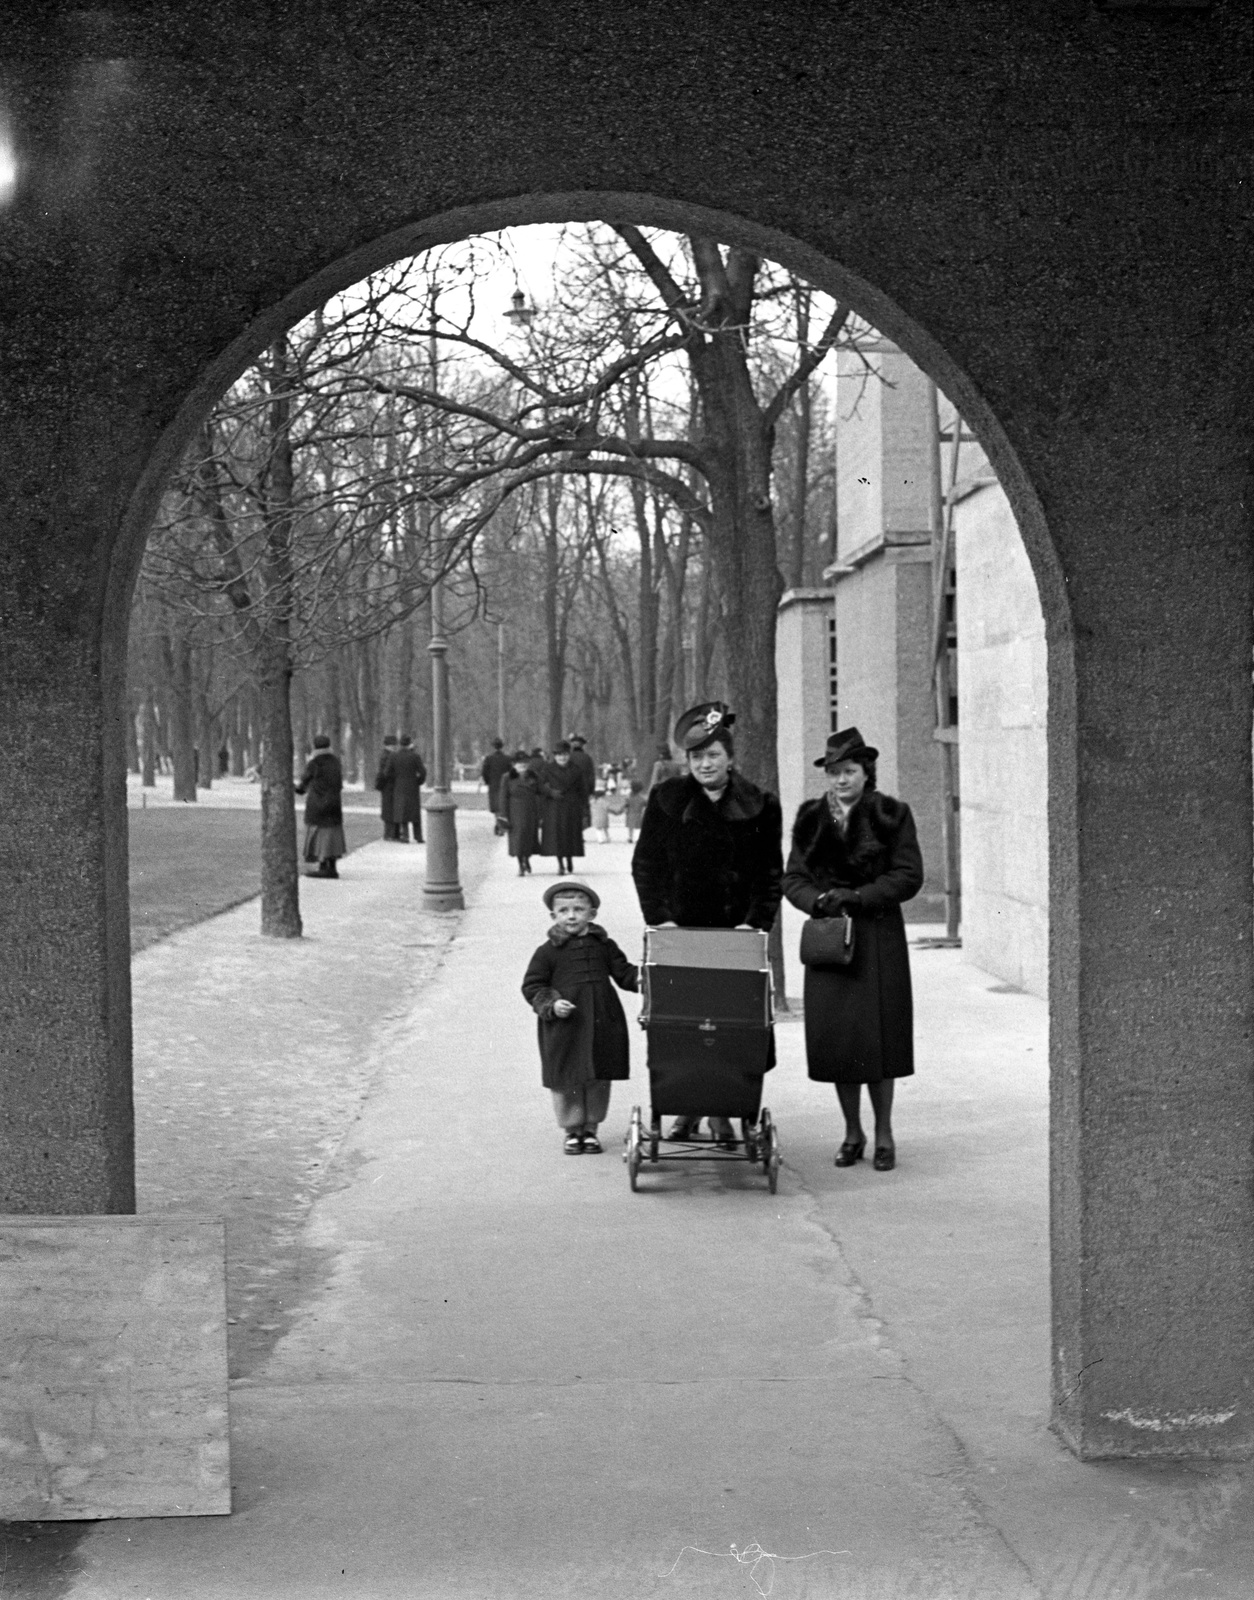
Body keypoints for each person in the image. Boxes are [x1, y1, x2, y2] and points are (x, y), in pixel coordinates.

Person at [631, 701, 783, 1144]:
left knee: (731, 1028)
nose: (704, 764)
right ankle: (686, 1106)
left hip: (736, 936)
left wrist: (755, 924)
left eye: (713, 755)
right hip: (680, 935)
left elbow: (770, 874)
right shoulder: (667, 799)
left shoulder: (760, 805)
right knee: (682, 1026)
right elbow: (646, 866)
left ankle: (723, 1110)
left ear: (730, 758)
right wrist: (661, 920)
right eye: (696, 756)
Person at [782, 727, 924, 1172]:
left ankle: (884, 1134)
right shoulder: (810, 818)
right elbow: (793, 878)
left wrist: (861, 896)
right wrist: (816, 900)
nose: (841, 780)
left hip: (877, 939)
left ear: (867, 772)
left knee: (878, 1041)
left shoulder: (891, 814)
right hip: (830, 940)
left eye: (850, 771)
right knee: (840, 1042)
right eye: (834, 772)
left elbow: (908, 875)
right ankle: (852, 1132)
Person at [521, 879, 639, 1155]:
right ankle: (573, 1130)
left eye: (578, 909)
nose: (571, 916)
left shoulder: (604, 946)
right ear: (553, 916)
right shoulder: (547, 952)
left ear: (592, 913)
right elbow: (532, 985)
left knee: (598, 1074)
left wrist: (647, 977)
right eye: (563, 911)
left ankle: (591, 1129)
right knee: (567, 1077)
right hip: (565, 1025)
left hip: (602, 1020)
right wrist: (552, 1004)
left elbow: (624, 973)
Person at [295, 734, 347, 879]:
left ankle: (323, 867)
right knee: (332, 834)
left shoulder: (314, 763)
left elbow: (302, 786)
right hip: (334, 804)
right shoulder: (335, 762)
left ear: (315, 747)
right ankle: (332, 867)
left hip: (317, 804)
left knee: (320, 835)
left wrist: (295, 787)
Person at [541, 740, 588, 875]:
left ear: (569, 755)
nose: (562, 758)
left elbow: (583, 790)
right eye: (559, 755)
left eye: (565, 755)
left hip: (572, 806)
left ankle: (569, 858)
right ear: (555, 756)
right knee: (558, 837)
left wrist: (585, 810)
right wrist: (550, 792)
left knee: (570, 835)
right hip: (554, 807)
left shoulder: (577, 770)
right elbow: (539, 786)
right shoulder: (547, 769)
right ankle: (560, 863)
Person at [498, 750, 542, 875]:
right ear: (513, 764)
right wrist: (503, 815)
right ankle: (520, 864)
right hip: (515, 812)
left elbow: (540, 794)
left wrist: (541, 813)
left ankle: (526, 859)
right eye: (519, 763)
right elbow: (503, 797)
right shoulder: (507, 777)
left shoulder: (534, 776)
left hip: (531, 810)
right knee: (518, 839)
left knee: (529, 838)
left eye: (525, 762)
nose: (522, 765)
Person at [389, 735, 427, 843]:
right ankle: (418, 836)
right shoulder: (415, 756)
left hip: (399, 787)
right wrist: (418, 781)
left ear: (400, 744)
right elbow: (423, 772)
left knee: (402, 812)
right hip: (413, 786)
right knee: (415, 812)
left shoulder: (394, 756)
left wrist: (395, 781)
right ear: (409, 744)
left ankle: (405, 835)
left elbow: (388, 772)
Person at [568, 734, 597, 827]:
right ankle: (582, 828)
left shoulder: (568, 757)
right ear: (582, 745)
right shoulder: (587, 758)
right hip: (584, 789)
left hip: (569, 788)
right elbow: (591, 775)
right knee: (583, 810)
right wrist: (591, 790)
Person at [374, 733, 399, 840]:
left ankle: (389, 833)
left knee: (389, 809)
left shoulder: (385, 755)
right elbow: (385, 773)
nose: (395, 747)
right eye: (393, 745)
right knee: (390, 810)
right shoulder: (388, 756)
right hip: (389, 786)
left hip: (387, 786)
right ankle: (391, 834)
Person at [480, 737, 512, 816]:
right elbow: (511, 772)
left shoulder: (489, 759)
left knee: (496, 807)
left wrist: (488, 781)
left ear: (493, 746)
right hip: (505, 785)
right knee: (504, 805)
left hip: (493, 785)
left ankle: (498, 820)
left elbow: (484, 772)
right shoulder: (507, 759)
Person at [624, 778, 647, 843]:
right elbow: (646, 804)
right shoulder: (642, 798)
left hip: (630, 814)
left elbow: (626, 805)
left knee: (630, 827)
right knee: (638, 827)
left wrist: (625, 811)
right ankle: (637, 838)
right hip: (639, 814)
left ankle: (630, 837)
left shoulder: (628, 797)